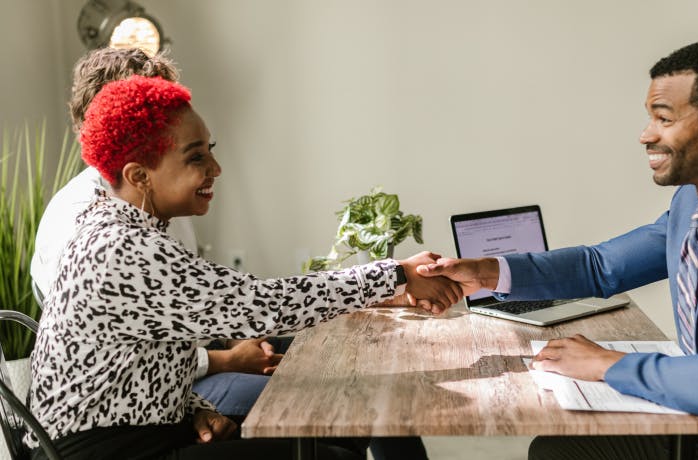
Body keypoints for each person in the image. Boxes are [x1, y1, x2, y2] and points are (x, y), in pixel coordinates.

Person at [417, 40, 698, 459]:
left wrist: (608, 364)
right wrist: (487, 272)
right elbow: (601, 265)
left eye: (664, 118)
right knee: (559, 449)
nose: (646, 134)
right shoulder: (697, 199)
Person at [27, 75, 460, 460]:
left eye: (210, 151)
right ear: (139, 176)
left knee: (340, 435)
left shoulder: (117, 226)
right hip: (109, 450)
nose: (215, 168)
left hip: (139, 434)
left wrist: (194, 410)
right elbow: (265, 305)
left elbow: (143, 362)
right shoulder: (123, 248)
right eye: (196, 157)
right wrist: (395, 274)